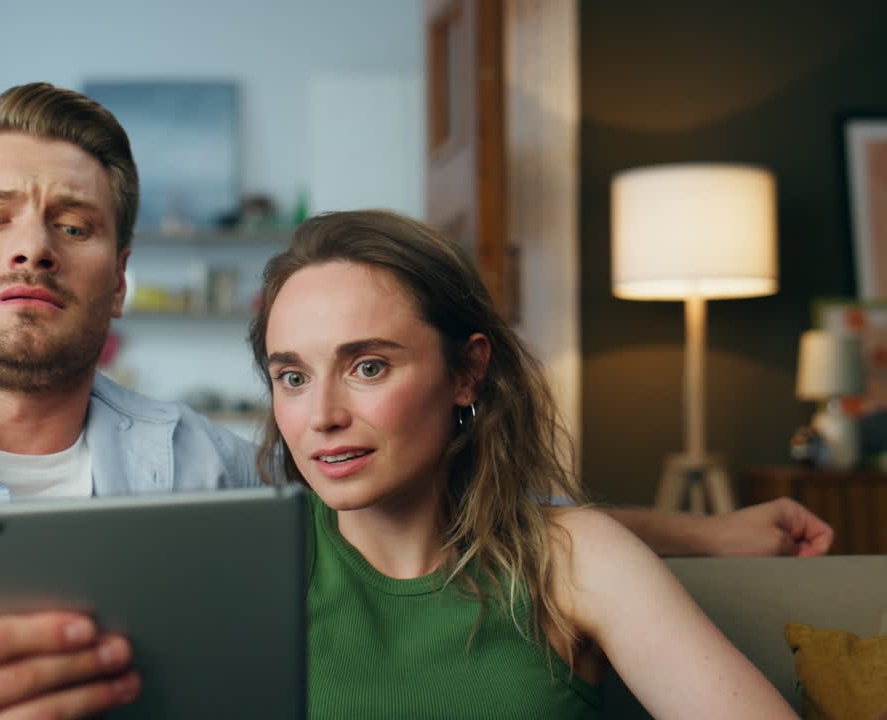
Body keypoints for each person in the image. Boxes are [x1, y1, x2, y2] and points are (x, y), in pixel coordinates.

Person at [0, 82, 825, 720]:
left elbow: (441, 500)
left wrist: (695, 535)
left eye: (73, 225)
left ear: (120, 278)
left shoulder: (216, 471)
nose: (32, 248)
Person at [248, 209, 798, 718]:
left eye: (368, 367)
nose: (322, 416)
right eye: (293, 378)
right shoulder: (254, 568)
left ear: (466, 372)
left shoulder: (573, 557)